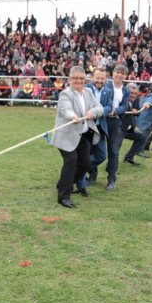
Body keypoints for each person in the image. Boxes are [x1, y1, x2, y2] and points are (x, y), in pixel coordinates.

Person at [50, 66, 103, 208]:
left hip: (82, 135)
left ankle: (64, 183)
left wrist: (93, 112)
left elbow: (100, 108)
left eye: (81, 78)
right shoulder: (65, 94)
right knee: (71, 162)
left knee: (86, 163)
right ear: (70, 79)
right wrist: (73, 116)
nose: (79, 81)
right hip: (66, 136)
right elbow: (65, 109)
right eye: (76, 78)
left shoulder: (88, 93)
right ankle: (63, 196)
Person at [87, 65, 129, 192]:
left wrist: (114, 111)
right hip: (101, 120)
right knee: (93, 148)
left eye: (123, 73)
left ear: (125, 76)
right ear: (113, 74)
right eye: (117, 72)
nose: (119, 75)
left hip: (114, 122)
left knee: (113, 151)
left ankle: (111, 179)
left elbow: (124, 106)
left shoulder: (125, 90)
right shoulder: (105, 84)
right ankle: (92, 175)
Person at [121, 83, 147, 166]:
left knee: (141, 138)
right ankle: (111, 166)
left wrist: (135, 110)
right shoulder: (121, 99)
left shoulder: (136, 99)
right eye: (131, 93)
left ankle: (129, 157)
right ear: (126, 92)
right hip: (119, 128)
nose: (133, 95)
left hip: (129, 128)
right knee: (116, 146)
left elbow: (138, 112)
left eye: (135, 93)